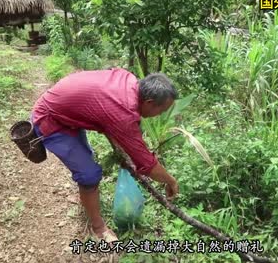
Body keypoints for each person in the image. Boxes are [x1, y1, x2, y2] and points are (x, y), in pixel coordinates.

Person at [30, 68, 180, 242]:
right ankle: (98, 227)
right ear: (148, 102)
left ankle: (86, 197)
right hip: (51, 120)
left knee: (86, 158)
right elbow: (147, 164)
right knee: (89, 175)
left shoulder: (128, 79)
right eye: (160, 112)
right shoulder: (123, 113)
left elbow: (107, 116)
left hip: (63, 108)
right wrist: (171, 181)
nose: (158, 116)